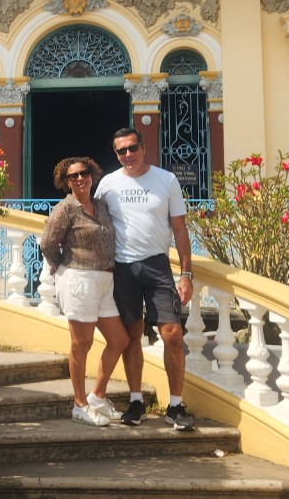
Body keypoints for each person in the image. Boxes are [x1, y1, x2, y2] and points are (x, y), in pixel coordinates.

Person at [95, 127, 196, 431]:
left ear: (143, 147)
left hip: (156, 265)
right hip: (122, 268)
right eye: (121, 151)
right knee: (131, 334)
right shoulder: (108, 184)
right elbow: (94, 222)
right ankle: (136, 401)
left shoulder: (166, 180)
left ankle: (176, 406)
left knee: (172, 334)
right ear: (116, 154)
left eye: (132, 148)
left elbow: (179, 229)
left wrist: (187, 273)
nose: (127, 155)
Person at [40, 156, 130, 427]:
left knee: (119, 340)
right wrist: (62, 265)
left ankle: (97, 396)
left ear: (92, 174)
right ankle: (79, 404)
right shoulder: (66, 208)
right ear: (65, 182)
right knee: (82, 344)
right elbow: (47, 243)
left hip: (104, 279)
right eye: (73, 176)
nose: (80, 178)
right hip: (79, 278)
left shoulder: (100, 205)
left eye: (84, 173)